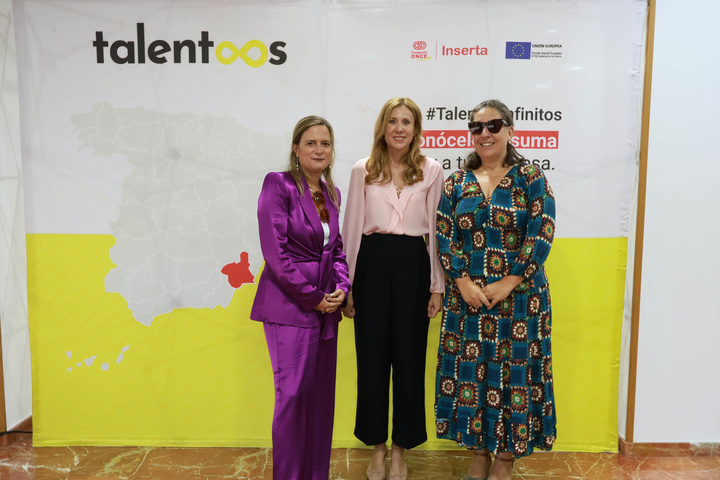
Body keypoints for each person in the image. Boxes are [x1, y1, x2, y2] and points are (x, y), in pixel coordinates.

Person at [434, 99, 557, 480]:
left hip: (521, 302)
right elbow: (443, 234)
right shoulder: (456, 182)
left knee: (513, 377)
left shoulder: (530, 178)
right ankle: (478, 458)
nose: (485, 133)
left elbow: (543, 231)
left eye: (493, 125)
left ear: (510, 130)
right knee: (473, 376)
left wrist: (510, 280)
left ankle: (504, 460)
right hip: (467, 301)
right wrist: (461, 280)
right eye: (476, 127)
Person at [341, 97, 444, 480]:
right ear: (382, 128)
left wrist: (437, 286)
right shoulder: (362, 169)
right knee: (371, 360)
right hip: (371, 264)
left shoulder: (431, 170)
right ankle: (378, 450)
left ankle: (401, 449)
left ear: (416, 129)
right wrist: (347, 285)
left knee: (409, 359)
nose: (399, 128)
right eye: (392, 121)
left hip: (413, 266)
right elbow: (351, 228)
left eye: (407, 121)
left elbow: (435, 233)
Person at [250, 115, 351, 480]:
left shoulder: (333, 193)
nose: (319, 149)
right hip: (290, 307)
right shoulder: (278, 185)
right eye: (311, 143)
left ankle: (315, 474)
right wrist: (313, 297)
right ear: (296, 148)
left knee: (320, 399)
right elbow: (275, 254)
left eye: (325, 143)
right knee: (292, 397)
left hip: (327, 309)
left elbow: (336, 249)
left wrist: (342, 287)